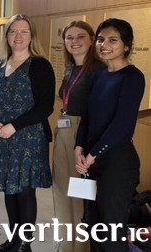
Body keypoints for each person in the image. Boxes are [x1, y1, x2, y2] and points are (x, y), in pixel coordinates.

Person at [0, 14, 55, 252]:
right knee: (8, 188)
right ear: (6, 35)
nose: (18, 36)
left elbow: (46, 106)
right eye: (13, 31)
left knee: (24, 190)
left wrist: (13, 126)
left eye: (24, 32)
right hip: (1, 136)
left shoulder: (39, 65)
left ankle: (25, 244)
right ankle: (13, 240)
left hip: (28, 137)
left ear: (31, 36)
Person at [75, 18, 145, 252]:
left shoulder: (132, 77)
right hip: (91, 162)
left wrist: (92, 155)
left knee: (111, 231)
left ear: (126, 45)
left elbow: (122, 124)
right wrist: (78, 150)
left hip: (117, 164)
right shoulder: (99, 76)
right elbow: (87, 116)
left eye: (113, 40)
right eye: (101, 39)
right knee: (93, 226)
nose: (104, 44)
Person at [52, 21, 105, 252]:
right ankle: (66, 245)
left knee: (80, 195)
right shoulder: (69, 68)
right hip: (64, 129)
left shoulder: (99, 71)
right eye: (69, 37)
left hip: (82, 134)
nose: (74, 41)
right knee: (62, 191)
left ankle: (81, 247)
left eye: (80, 36)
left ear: (92, 39)